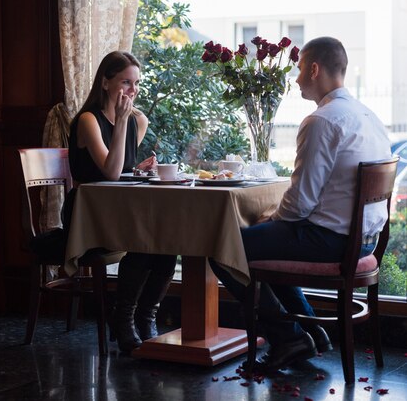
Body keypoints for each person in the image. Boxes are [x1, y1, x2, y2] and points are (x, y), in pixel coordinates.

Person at [210, 36, 391, 372]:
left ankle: (288, 336)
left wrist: (273, 218)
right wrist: (277, 220)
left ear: (314, 69)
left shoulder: (322, 120)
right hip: (365, 241)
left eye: (299, 70)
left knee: (224, 249)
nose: (295, 79)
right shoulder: (368, 116)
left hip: (331, 240)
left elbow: (300, 204)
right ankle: (309, 330)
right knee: (269, 241)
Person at [64, 51, 177, 353]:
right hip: (87, 213)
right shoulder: (88, 120)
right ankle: (122, 318)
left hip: (116, 208)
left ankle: (145, 316)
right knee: (144, 243)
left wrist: (139, 169)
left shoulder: (138, 120)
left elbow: (121, 169)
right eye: (125, 82)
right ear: (105, 82)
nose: (132, 90)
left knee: (168, 244)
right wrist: (123, 120)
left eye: (136, 83)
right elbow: (111, 171)